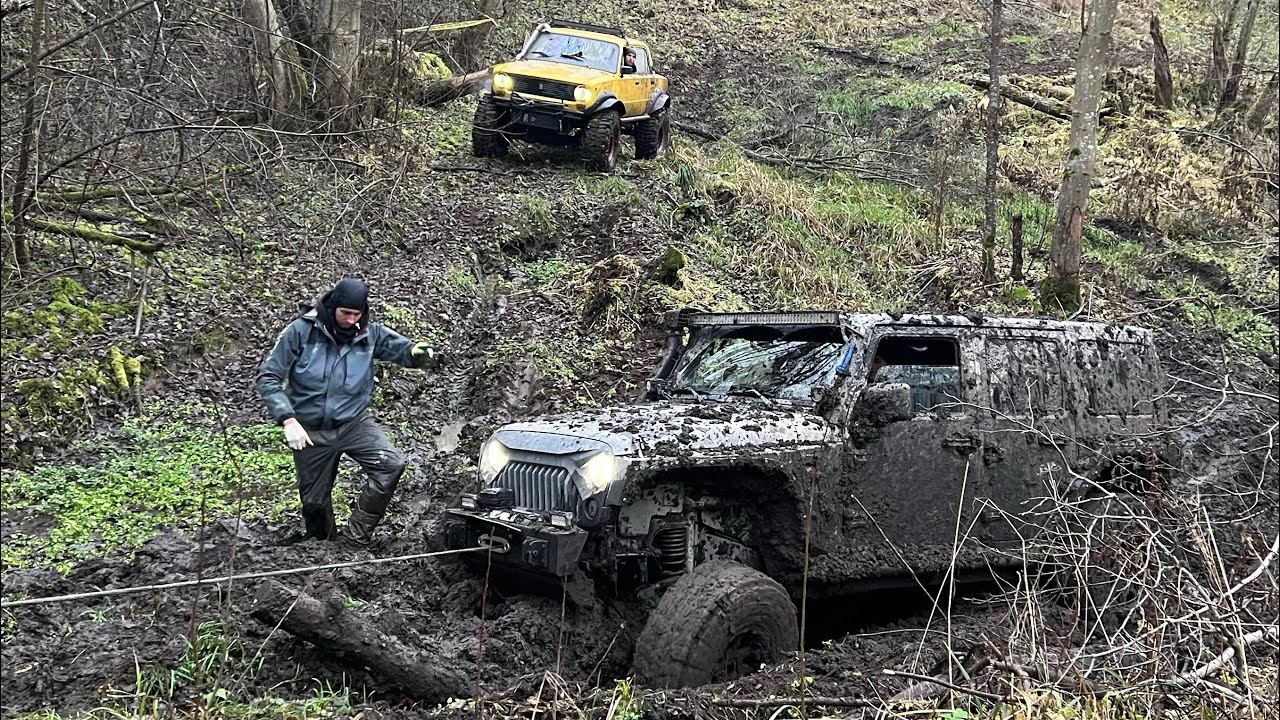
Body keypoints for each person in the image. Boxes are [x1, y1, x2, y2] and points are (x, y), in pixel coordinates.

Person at [256, 278, 434, 545]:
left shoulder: (369, 333)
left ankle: (355, 538)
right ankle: (323, 545)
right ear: (333, 307)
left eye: (357, 314)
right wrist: (288, 418)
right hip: (310, 429)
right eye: (346, 313)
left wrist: (417, 353)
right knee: (314, 504)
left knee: (391, 465)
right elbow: (268, 376)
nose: (351, 320)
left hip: (354, 422)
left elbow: (403, 350)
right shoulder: (301, 332)